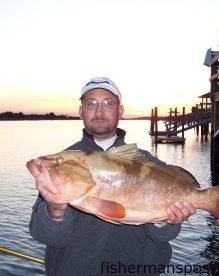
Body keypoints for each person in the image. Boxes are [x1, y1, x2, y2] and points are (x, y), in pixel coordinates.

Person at [27, 77, 196, 276]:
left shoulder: (149, 164)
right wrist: (54, 208)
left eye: (108, 103)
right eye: (91, 104)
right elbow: (49, 237)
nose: (99, 112)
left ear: (120, 111)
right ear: (81, 112)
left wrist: (168, 220)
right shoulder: (64, 164)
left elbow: (160, 236)